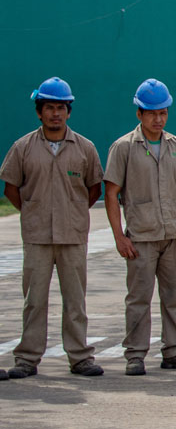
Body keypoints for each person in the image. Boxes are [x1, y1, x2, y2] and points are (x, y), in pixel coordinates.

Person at [1, 77, 104, 379]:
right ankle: (27, 358)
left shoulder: (84, 148)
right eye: (49, 108)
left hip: (72, 237)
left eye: (61, 107)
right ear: (39, 112)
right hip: (37, 237)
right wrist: (34, 212)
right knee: (34, 300)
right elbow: (11, 188)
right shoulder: (22, 148)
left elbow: (94, 189)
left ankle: (80, 357)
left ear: (69, 112)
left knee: (75, 300)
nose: (55, 113)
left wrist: (70, 214)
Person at [103, 78, 176, 375]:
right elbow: (111, 193)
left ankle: (174, 351)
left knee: (173, 298)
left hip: (173, 235)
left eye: (163, 112)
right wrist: (119, 236)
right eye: (151, 113)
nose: (158, 119)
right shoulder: (123, 148)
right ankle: (135, 354)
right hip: (142, 237)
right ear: (139, 114)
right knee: (139, 299)